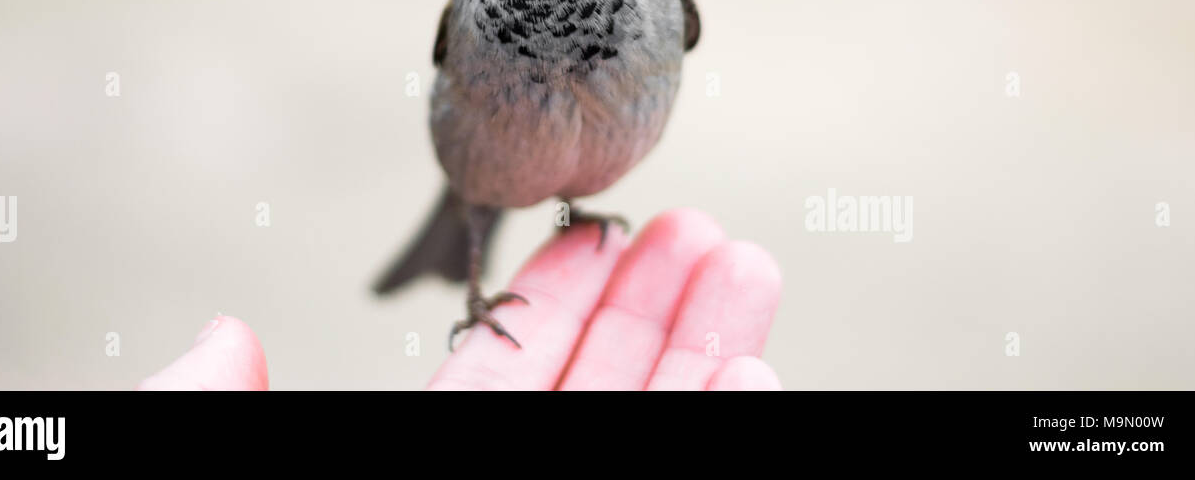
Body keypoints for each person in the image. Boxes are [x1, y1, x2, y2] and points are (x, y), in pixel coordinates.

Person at [138, 209, 781, 391]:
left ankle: (569, 210)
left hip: (570, 201)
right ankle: (468, 274)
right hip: (478, 184)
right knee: (476, 202)